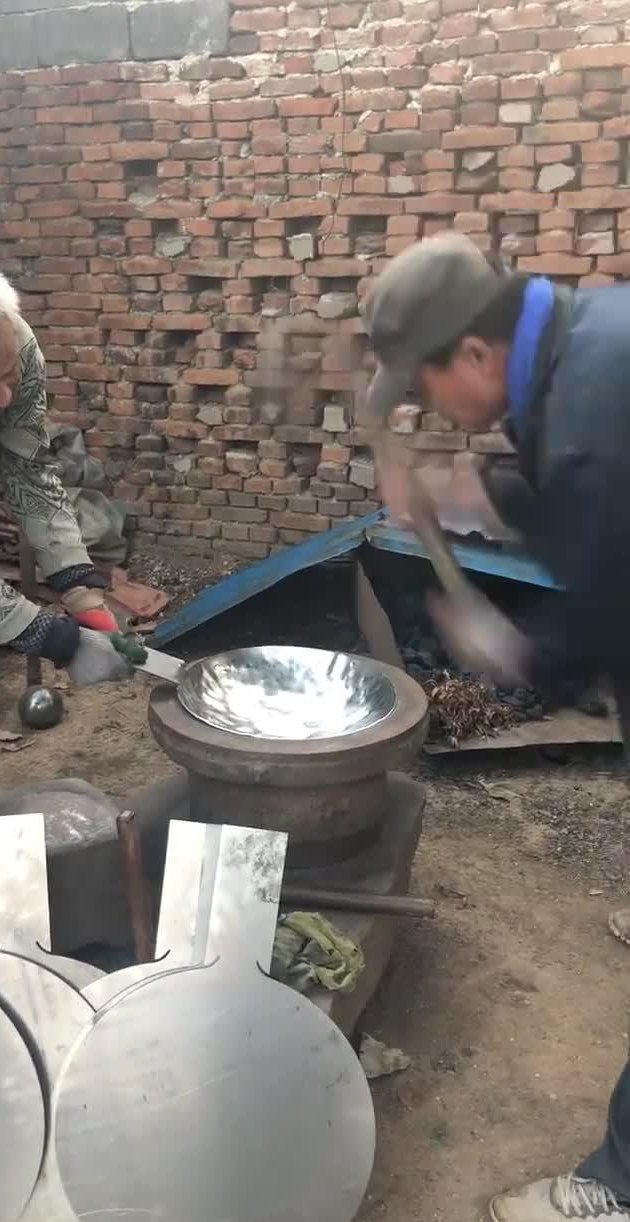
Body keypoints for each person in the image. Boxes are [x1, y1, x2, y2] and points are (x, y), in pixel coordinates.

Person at [365, 231, 630, 1222]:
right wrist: (468, 493)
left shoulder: (593, 413)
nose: (435, 413)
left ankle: (618, 1184)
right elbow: (585, 502)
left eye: (429, 392)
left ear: (474, 353)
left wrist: (506, 649)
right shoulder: (589, 338)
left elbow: (605, 613)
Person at [0, 258, 144, 812]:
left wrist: (80, 587)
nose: (2, 398)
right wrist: (51, 638)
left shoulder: (10, 344)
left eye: (9, 377)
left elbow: (29, 468)